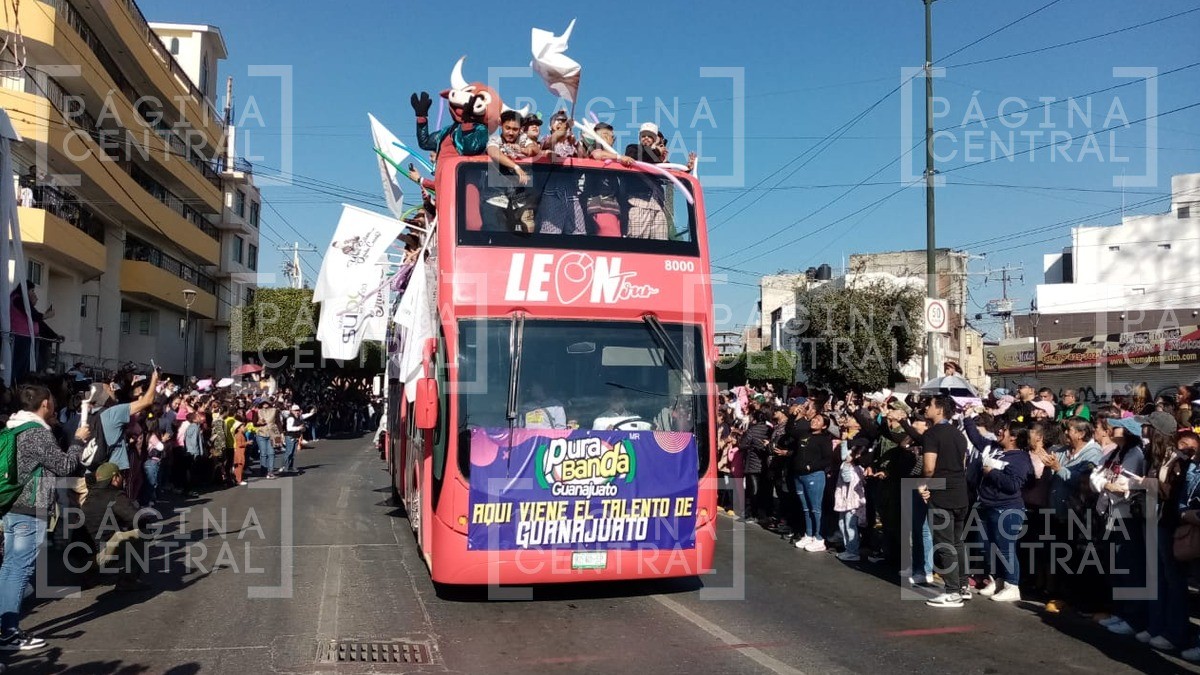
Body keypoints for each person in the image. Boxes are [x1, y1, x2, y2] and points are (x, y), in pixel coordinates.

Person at [0, 384, 88, 650]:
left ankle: (5, 625)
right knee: (20, 569)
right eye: (52, 402)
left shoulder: (14, 427)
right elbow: (64, 466)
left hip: (13, 504)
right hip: (31, 507)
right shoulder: (37, 432)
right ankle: (8, 632)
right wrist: (78, 441)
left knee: (10, 567)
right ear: (45, 404)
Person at [919, 396, 970, 608]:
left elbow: (929, 467)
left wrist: (924, 484)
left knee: (944, 543)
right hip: (960, 491)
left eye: (929, 405)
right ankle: (963, 585)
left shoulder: (932, 434)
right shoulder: (959, 435)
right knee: (957, 541)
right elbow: (963, 463)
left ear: (939, 409)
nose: (926, 408)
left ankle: (952, 592)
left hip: (942, 494)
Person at [974, 419, 1033, 602]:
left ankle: (1012, 585)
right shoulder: (998, 450)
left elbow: (1013, 484)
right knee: (988, 546)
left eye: (1005, 430)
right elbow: (976, 438)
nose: (1000, 431)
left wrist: (992, 473)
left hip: (1007, 509)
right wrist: (967, 417)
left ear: (1013, 437)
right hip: (988, 506)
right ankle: (998, 580)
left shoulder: (1020, 458)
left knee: (1006, 548)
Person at [80, 462, 150, 592]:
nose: (122, 477)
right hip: (101, 556)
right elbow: (136, 518)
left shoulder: (90, 496)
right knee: (142, 533)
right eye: (120, 474)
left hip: (82, 557)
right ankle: (128, 581)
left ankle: (91, 576)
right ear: (115, 478)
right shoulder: (115, 496)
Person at [536, 111, 586, 235]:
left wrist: (576, 143)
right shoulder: (546, 139)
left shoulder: (572, 143)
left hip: (571, 192)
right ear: (550, 126)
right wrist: (564, 129)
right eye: (558, 121)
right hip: (552, 191)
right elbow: (550, 143)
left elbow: (584, 159)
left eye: (564, 121)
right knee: (550, 232)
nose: (561, 123)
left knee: (578, 233)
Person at [483, 109, 533, 232]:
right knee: (497, 234)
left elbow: (534, 148)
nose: (510, 132)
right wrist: (516, 167)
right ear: (501, 125)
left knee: (524, 234)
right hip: (495, 198)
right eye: (507, 128)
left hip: (518, 199)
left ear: (520, 129)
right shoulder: (495, 139)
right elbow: (493, 152)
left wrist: (524, 150)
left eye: (515, 129)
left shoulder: (522, 139)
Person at [792, 413, 834, 552]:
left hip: (814, 476)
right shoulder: (804, 434)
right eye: (814, 418)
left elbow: (828, 459)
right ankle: (809, 534)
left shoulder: (824, 439)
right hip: (799, 475)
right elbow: (790, 430)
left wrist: (811, 466)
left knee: (816, 508)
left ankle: (819, 538)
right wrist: (793, 416)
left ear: (824, 426)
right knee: (806, 508)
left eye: (818, 420)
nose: (814, 421)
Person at [833, 437, 869, 561]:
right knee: (842, 524)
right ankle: (848, 548)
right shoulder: (848, 465)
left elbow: (847, 478)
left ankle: (853, 551)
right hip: (844, 500)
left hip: (853, 502)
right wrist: (844, 443)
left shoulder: (856, 468)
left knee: (850, 525)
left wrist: (847, 464)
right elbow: (844, 456)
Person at [282, 404, 314, 473]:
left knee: (293, 453)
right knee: (289, 452)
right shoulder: (291, 418)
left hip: (296, 437)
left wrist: (312, 413)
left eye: (298, 410)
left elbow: (305, 415)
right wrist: (299, 428)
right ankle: (285, 467)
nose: (297, 412)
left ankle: (290, 467)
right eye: (295, 410)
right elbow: (289, 428)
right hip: (290, 437)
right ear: (292, 411)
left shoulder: (299, 416)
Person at [255, 400, 281, 479]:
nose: (265, 404)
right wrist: (258, 423)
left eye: (266, 402)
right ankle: (263, 471)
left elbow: (278, 422)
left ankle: (271, 472)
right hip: (261, 434)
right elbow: (254, 423)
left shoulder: (274, 411)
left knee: (271, 453)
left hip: (273, 434)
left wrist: (281, 434)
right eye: (263, 403)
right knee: (263, 454)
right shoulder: (258, 411)